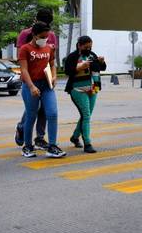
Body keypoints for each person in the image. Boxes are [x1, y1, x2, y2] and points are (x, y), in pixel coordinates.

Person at [18, 21, 65, 158]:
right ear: (34, 35)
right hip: (30, 86)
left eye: (47, 37)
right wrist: (32, 86)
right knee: (31, 116)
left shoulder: (48, 48)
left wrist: (54, 76)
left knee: (52, 113)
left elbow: (52, 63)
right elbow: (24, 70)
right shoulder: (25, 49)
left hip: (47, 86)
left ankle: (52, 146)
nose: (45, 39)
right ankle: (27, 146)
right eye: (43, 36)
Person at [15, 9, 57, 149]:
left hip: (45, 78)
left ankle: (40, 137)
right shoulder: (25, 34)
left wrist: (53, 75)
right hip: (30, 79)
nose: (46, 35)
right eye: (42, 24)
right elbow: (21, 58)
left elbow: (52, 58)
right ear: (36, 20)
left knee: (47, 109)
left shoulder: (50, 34)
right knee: (33, 109)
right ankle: (22, 127)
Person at [64, 36, 106, 153]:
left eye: (90, 46)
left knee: (85, 116)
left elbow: (100, 68)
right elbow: (68, 71)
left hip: (94, 89)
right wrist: (80, 67)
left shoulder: (92, 55)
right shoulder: (73, 57)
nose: (88, 48)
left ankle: (75, 137)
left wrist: (102, 62)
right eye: (86, 47)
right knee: (86, 115)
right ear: (79, 45)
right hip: (78, 89)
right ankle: (87, 143)